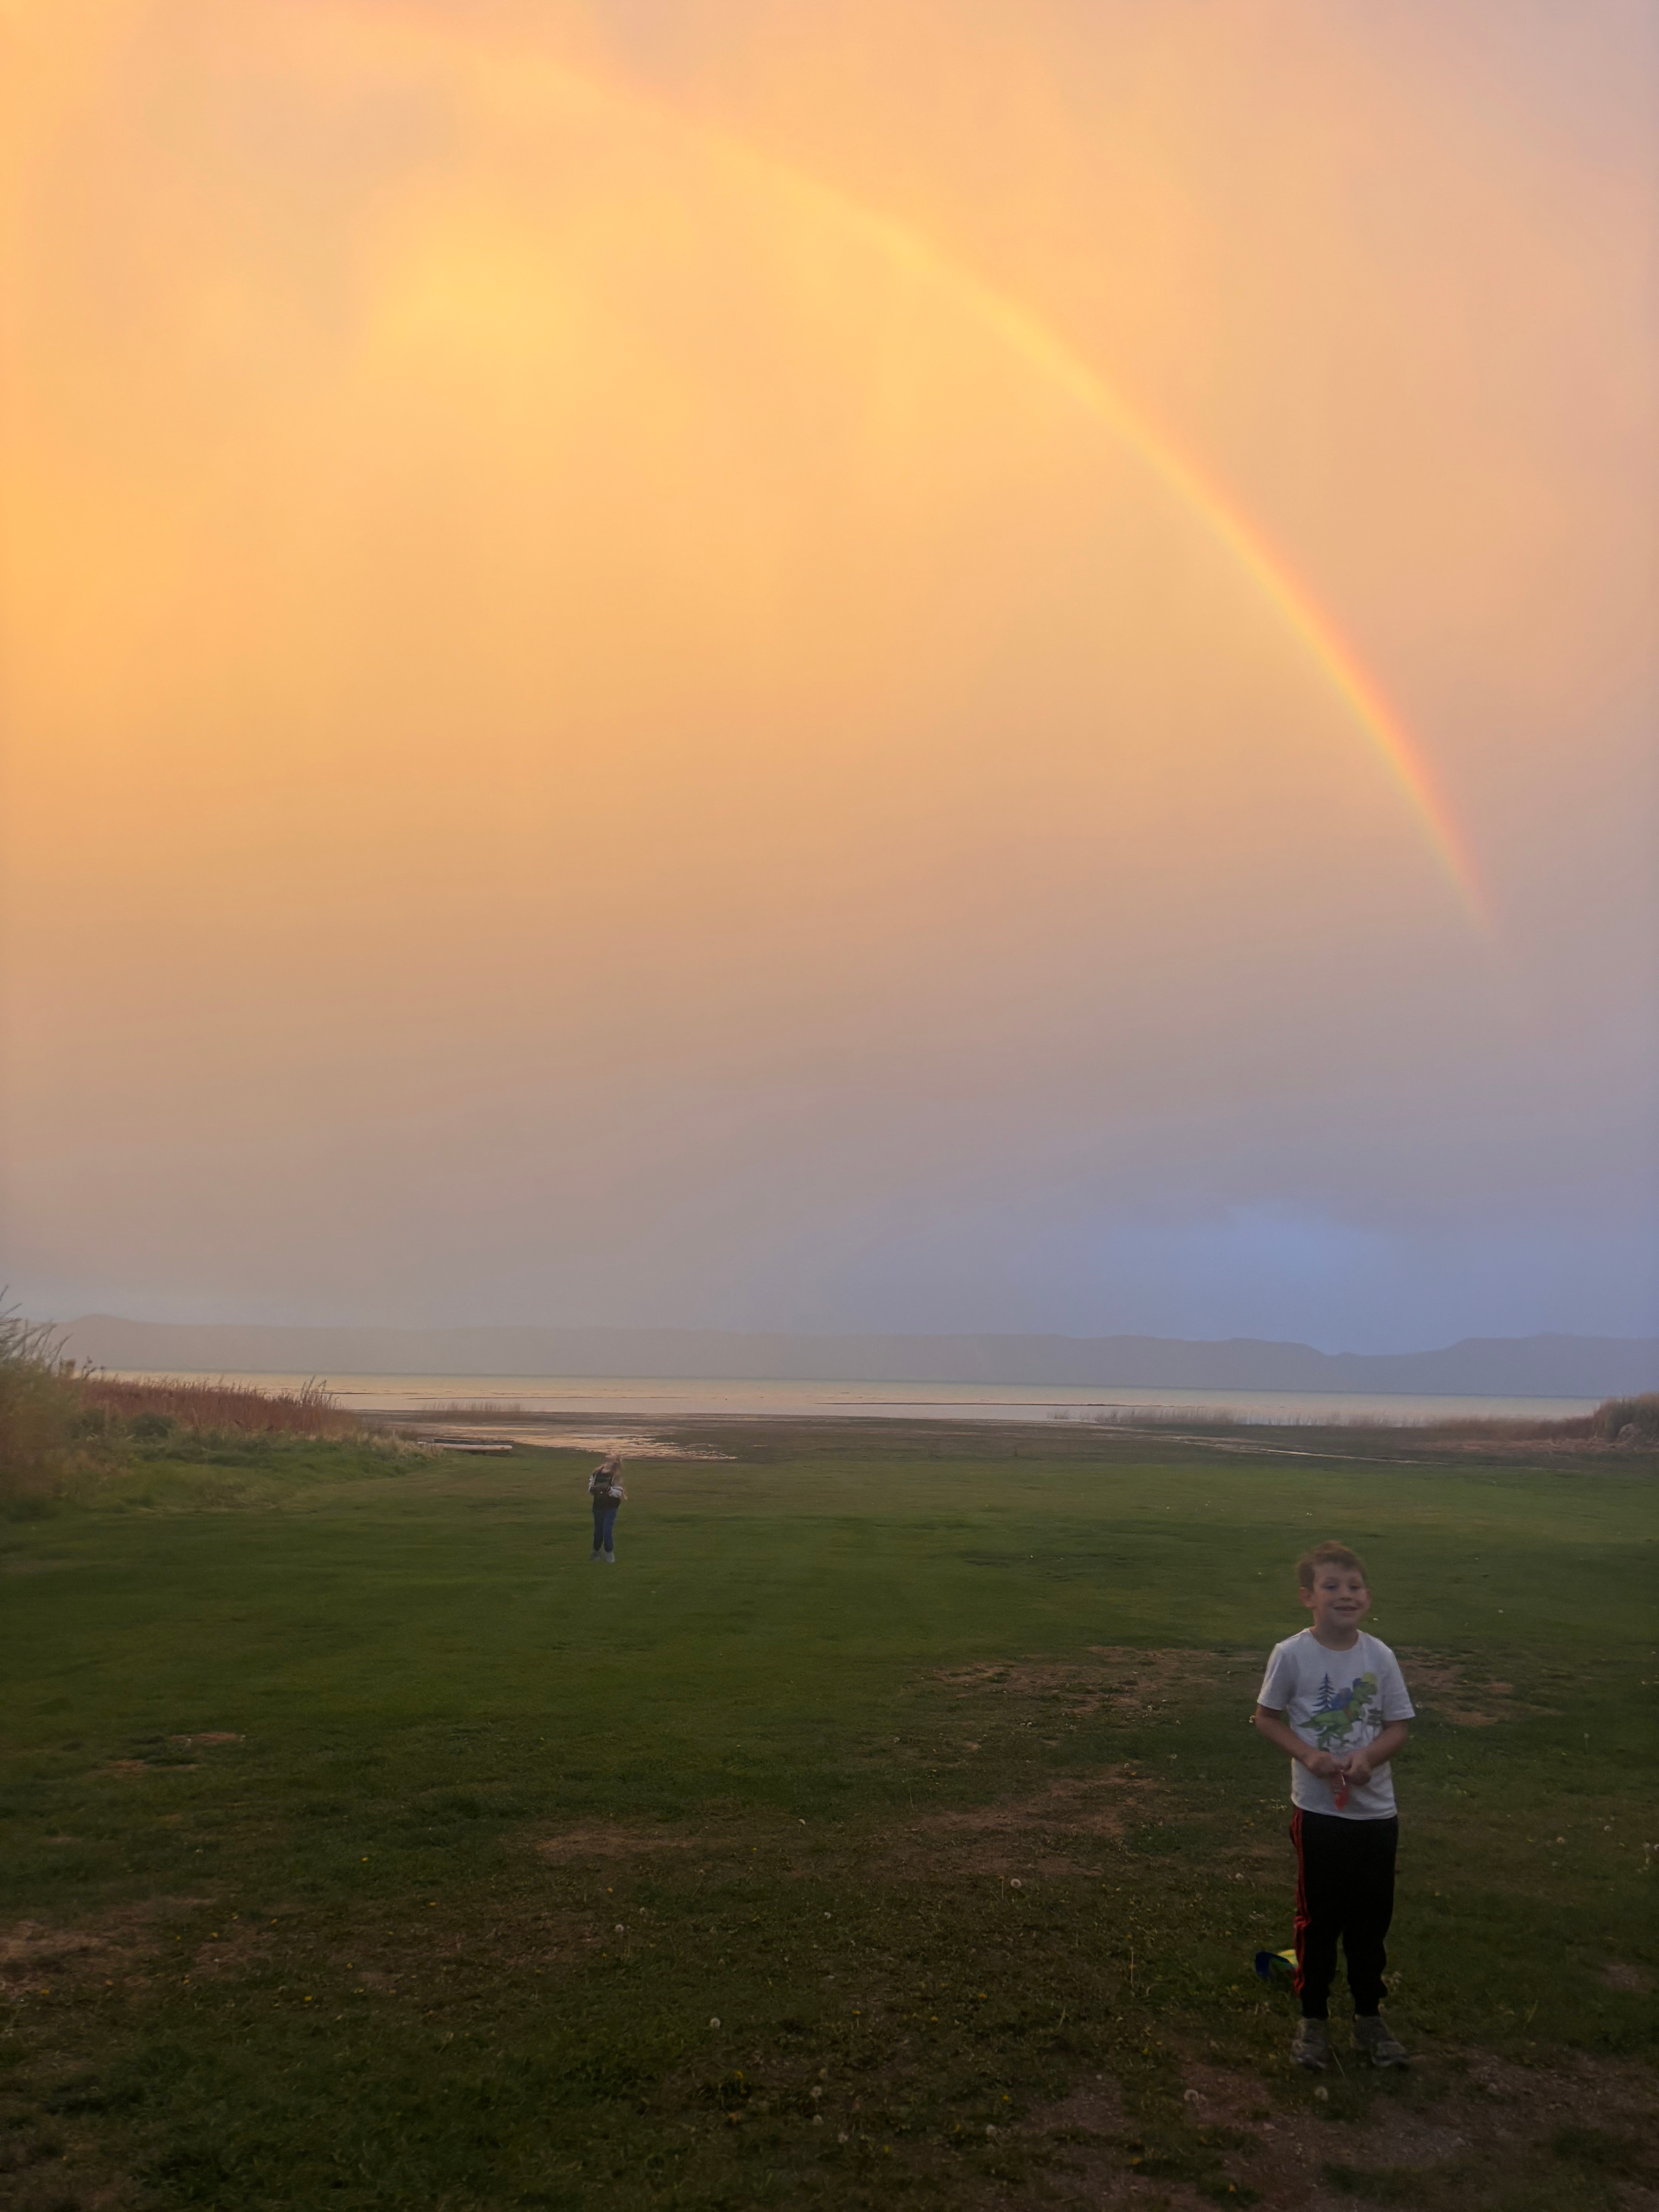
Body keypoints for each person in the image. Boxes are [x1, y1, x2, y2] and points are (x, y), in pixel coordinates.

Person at [1252, 1540, 1414, 2072]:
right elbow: (1267, 1717)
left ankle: (1370, 2017)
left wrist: (1368, 1756)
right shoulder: (1292, 1654)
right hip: (1321, 1813)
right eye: (1331, 1586)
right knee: (1319, 1920)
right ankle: (1313, 2019)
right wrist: (1309, 1755)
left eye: (1354, 1586)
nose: (1346, 1595)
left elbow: (1398, 1727)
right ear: (1308, 1596)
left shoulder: (1380, 1656)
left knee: (1371, 1921)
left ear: (1367, 1595)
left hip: (1375, 1814)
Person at [588, 1452, 626, 1564]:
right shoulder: (597, 1472)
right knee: (598, 1532)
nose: (608, 1456)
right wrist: (593, 1489)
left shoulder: (616, 1476)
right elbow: (590, 1487)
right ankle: (596, 1553)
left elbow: (619, 1493)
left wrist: (609, 1490)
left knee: (607, 1531)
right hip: (598, 1507)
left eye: (612, 1456)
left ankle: (610, 1555)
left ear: (615, 1461)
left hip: (611, 1507)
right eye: (608, 1455)